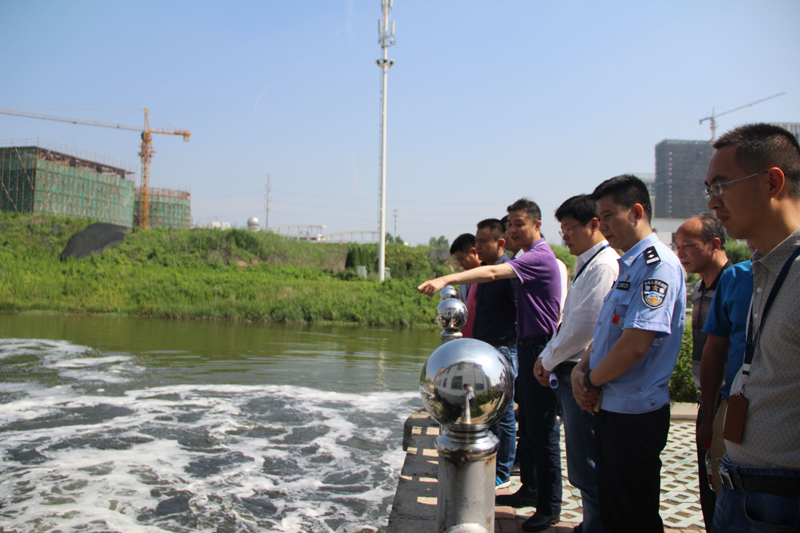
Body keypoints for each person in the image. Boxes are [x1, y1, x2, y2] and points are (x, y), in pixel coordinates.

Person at [420, 198, 562, 531]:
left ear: (537, 225)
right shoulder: (528, 257)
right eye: (509, 224)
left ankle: (549, 505)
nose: (512, 230)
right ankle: (532, 489)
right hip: (527, 346)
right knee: (532, 426)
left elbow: (495, 272)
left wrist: (445, 278)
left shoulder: (538, 256)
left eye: (518, 224)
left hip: (535, 345)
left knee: (540, 429)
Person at [572, 174, 686, 532]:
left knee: (633, 514)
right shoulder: (630, 265)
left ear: (636, 212)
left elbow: (636, 344)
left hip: (635, 413)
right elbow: (609, 331)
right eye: (600, 218)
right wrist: (581, 368)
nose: (603, 226)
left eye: (608, 216)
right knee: (614, 507)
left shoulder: (658, 266)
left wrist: (590, 381)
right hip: (612, 405)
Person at [702, 123, 800, 533]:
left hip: (781, 501)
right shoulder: (763, 270)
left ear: (772, 182)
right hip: (741, 489)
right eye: (709, 189)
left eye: (721, 186)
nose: (713, 201)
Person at [533, 195, 619, 533]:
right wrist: (551, 356)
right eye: (563, 229)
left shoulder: (604, 265)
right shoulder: (589, 263)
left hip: (580, 371)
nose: (565, 236)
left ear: (593, 225)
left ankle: (597, 525)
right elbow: (569, 321)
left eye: (570, 228)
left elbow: (585, 325)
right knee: (582, 461)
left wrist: (548, 358)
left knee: (588, 463)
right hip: (569, 368)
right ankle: (592, 523)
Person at [675, 214, 730, 530]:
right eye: (678, 246)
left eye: (689, 245)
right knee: (708, 489)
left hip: (726, 404)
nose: (681, 253)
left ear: (715, 244)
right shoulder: (699, 287)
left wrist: (711, 413)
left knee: (726, 491)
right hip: (705, 401)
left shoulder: (735, 284)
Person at [698, 256, 752, 498]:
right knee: (727, 496)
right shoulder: (736, 277)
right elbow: (714, 349)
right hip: (734, 405)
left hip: (786, 410)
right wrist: (709, 417)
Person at [473, 218, 519, 489]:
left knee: (504, 414)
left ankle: (503, 470)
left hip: (503, 349)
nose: (477, 247)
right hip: (485, 348)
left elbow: (519, 311)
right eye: (476, 241)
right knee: (487, 411)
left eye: (483, 241)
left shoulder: (508, 272)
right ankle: (489, 462)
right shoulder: (485, 271)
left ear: (501, 243)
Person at [449, 233, 481, 338]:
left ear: (473, 252)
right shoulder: (468, 278)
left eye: (461, 259)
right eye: (458, 260)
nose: (461, 264)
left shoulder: (486, 276)